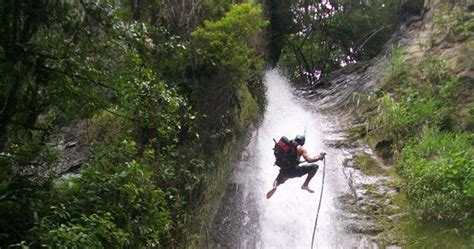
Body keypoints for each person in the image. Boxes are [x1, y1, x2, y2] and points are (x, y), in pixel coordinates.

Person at [266, 134, 325, 199]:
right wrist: (319, 158)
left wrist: (317, 157)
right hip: (294, 170)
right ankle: (305, 185)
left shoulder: (288, 145)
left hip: (284, 170)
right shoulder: (301, 148)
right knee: (315, 167)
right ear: (302, 142)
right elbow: (309, 160)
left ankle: (275, 186)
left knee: (277, 180)